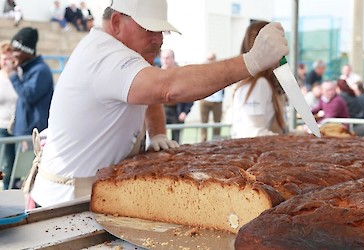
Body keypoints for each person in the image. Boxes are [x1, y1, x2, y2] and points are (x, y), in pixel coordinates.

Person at [29, 0, 288, 207]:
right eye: (149, 29)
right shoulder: (104, 56)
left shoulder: (120, 54)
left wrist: (158, 133)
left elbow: (150, 94)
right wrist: (251, 61)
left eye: (161, 31)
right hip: (66, 202)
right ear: (117, 22)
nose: (159, 39)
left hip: (94, 192)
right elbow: (165, 88)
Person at [231, 21, 287, 139]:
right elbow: (252, 132)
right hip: (253, 153)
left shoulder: (261, 82)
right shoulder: (259, 84)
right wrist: (290, 141)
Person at [6, 27, 53, 138]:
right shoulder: (27, 69)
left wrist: (13, 75)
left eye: (16, 50)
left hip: (31, 134)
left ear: (26, 51)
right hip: (22, 132)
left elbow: (28, 96)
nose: (13, 54)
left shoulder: (40, 71)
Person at [160, 48, 194, 143]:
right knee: (160, 138)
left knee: (176, 139)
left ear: (173, 59)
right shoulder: (156, 73)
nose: (165, 61)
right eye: (163, 58)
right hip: (161, 109)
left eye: (167, 58)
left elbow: (189, 94)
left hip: (177, 110)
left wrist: (185, 111)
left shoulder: (181, 74)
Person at [0, 40, 17, 190]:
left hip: (18, 127)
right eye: (4, 58)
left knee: (19, 167)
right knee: (6, 166)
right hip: (2, 127)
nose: (6, 62)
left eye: (9, 58)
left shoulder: (18, 75)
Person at [199, 53, 224, 142]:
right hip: (205, 99)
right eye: (208, 59)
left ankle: (216, 140)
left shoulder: (221, 71)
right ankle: (203, 140)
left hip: (217, 100)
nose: (210, 60)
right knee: (203, 123)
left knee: (217, 122)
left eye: (212, 58)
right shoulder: (202, 71)